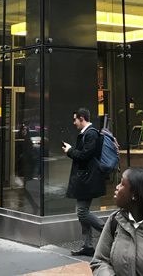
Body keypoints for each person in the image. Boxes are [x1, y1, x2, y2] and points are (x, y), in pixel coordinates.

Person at [62, 107, 106, 257]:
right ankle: (87, 246)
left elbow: (84, 156)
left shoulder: (91, 134)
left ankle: (108, 231)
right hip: (86, 178)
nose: (74, 122)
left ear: (81, 119)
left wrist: (70, 151)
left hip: (88, 179)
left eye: (75, 119)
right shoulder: (88, 133)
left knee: (81, 212)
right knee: (82, 212)